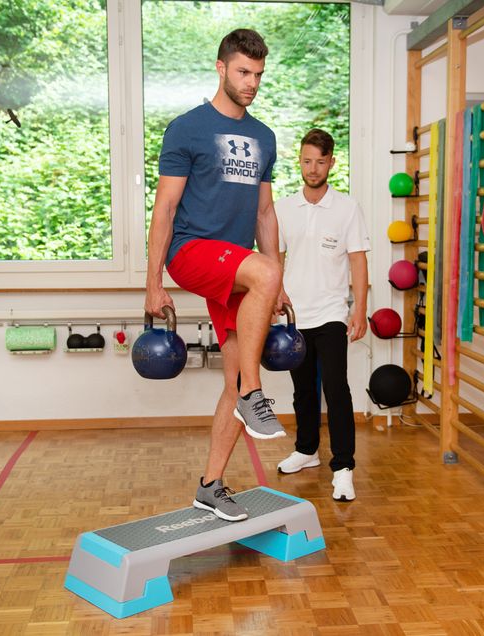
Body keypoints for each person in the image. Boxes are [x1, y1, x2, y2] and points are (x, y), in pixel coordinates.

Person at [144, 29, 289, 522]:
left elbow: (265, 215)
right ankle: (255, 394)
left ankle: (210, 485)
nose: (252, 83)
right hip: (191, 251)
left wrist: (275, 282)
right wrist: (152, 281)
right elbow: (164, 209)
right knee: (247, 383)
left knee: (231, 377)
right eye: (244, 72)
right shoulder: (187, 129)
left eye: (259, 75)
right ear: (221, 68)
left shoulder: (264, 137)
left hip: (239, 265)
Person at [276, 128, 369, 502]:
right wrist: (274, 297)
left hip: (331, 312)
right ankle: (307, 450)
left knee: (336, 388)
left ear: (331, 162)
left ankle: (343, 466)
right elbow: (274, 258)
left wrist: (359, 309)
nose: (312, 169)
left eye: (320, 161)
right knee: (302, 390)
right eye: (306, 161)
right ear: (299, 161)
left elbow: (358, 261)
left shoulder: (347, 208)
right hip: (294, 315)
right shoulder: (283, 208)